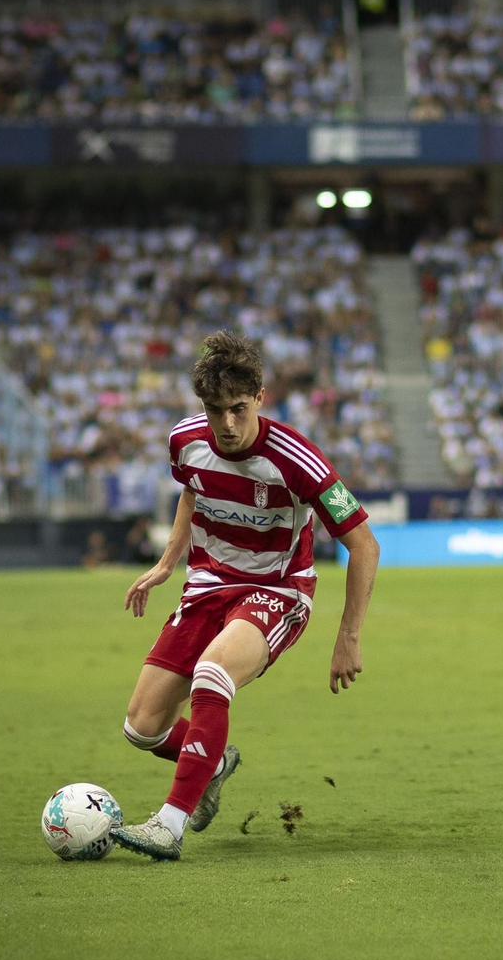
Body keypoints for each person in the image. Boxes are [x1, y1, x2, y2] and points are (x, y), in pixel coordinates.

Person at [111, 332, 380, 861]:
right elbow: (193, 487)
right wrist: (169, 562)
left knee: (213, 674)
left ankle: (168, 825)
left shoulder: (299, 460)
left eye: (238, 408)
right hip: (208, 587)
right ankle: (211, 762)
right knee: (141, 727)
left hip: (277, 591)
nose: (227, 425)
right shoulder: (185, 441)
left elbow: (364, 545)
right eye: (215, 411)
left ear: (260, 397)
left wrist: (348, 636)